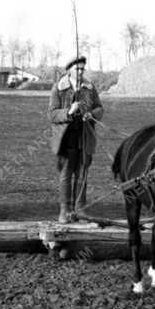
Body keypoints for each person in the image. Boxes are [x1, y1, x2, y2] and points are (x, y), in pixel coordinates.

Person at [49, 54, 103, 222]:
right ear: (69, 70)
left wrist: (91, 114)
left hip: (85, 137)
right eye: (77, 69)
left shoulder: (90, 87)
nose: (80, 71)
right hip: (66, 140)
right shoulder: (58, 88)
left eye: (82, 69)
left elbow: (100, 108)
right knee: (66, 175)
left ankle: (80, 210)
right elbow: (52, 114)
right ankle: (65, 211)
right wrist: (69, 111)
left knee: (82, 175)